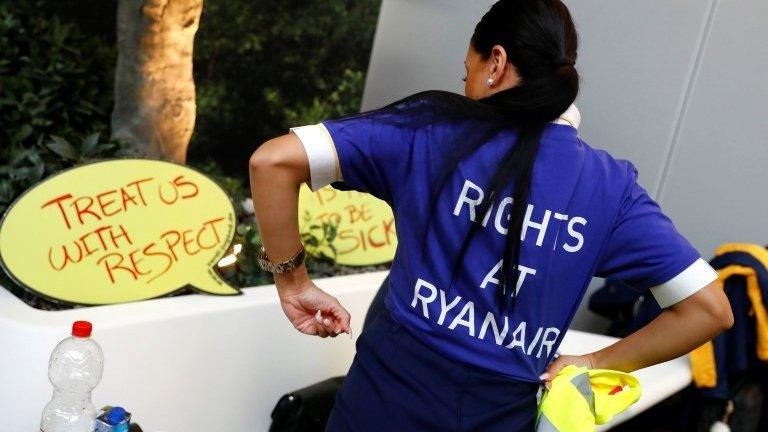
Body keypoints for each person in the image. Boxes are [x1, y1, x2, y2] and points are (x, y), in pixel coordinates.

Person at [248, 0, 734, 430]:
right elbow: (709, 309)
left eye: (467, 73)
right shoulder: (610, 188)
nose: (466, 87)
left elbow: (272, 161)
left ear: (495, 63)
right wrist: (591, 363)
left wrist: (293, 283)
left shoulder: (431, 130)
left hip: (380, 403)